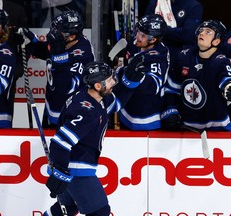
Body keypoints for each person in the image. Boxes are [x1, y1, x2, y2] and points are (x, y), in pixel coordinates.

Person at [43, 61, 120, 216]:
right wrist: (60, 173)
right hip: (77, 170)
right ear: (98, 86)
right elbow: (60, 142)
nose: (113, 82)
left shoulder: (91, 96)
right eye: (110, 80)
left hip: (71, 167)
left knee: (68, 209)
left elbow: (116, 104)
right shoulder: (86, 112)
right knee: (100, 212)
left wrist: (130, 80)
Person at [22, 10, 95, 128]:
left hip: (69, 115)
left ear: (71, 36)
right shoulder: (63, 43)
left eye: (58, 31)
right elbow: (47, 51)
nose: (54, 33)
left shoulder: (82, 55)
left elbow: (66, 87)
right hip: (52, 107)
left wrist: (60, 59)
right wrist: (33, 41)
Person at [161, 20, 231, 131]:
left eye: (208, 32)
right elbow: (172, 89)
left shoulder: (220, 62)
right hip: (186, 126)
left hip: (217, 127)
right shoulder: (184, 57)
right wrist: (171, 110)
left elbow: (226, 80)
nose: (201, 33)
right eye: (201, 30)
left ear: (217, 41)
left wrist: (228, 87)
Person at [114, 14, 170, 130]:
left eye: (143, 35)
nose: (137, 36)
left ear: (153, 39)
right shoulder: (133, 44)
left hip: (147, 116)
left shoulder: (159, 55)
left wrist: (140, 77)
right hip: (127, 109)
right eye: (138, 31)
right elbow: (125, 68)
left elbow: (154, 85)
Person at [144, 0, 203, 69]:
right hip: (153, 54)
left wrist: (159, 28)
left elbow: (186, 35)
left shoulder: (194, 6)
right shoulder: (156, 2)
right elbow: (146, 26)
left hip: (178, 58)